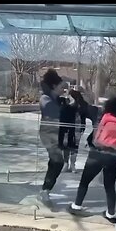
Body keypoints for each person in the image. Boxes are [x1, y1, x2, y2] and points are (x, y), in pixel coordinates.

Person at [67, 95, 116, 224]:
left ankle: (76, 206)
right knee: (109, 186)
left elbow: (97, 131)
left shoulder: (104, 117)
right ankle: (111, 214)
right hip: (114, 157)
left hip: (97, 153)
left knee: (85, 181)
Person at [38, 69, 66, 206]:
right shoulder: (45, 99)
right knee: (58, 162)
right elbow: (54, 112)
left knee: (55, 162)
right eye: (62, 87)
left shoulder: (55, 99)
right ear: (54, 87)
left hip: (54, 135)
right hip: (48, 135)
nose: (64, 90)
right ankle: (45, 190)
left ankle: (46, 189)